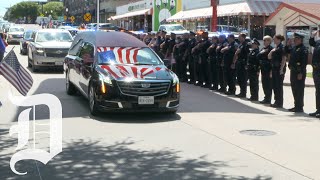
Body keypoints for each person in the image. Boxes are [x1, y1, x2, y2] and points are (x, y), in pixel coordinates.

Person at [288, 33, 308, 113]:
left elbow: (304, 63)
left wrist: (301, 73)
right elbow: (286, 51)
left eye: (296, 39)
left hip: (299, 73)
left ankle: (299, 107)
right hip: (293, 71)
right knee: (294, 89)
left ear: (300, 40)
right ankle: (296, 105)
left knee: (299, 90)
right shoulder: (294, 48)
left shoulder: (303, 49)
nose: (294, 40)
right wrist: (288, 45)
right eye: (294, 39)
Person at [268, 34, 286, 108]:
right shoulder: (275, 48)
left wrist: (281, 69)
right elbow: (269, 57)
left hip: (279, 69)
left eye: (274, 39)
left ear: (279, 39)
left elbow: (284, 59)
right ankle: (276, 101)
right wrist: (272, 51)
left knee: (278, 86)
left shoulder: (282, 47)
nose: (273, 40)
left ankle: (279, 103)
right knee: (274, 86)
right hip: (274, 68)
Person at [233, 33, 250, 98]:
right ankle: (241, 91)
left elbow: (248, 55)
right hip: (239, 63)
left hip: (243, 64)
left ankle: (243, 93)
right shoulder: (240, 45)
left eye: (239, 37)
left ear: (243, 37)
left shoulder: (246, 45)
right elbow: (237, 54)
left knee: (243, 79)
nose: (238, 38)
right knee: (239, 78)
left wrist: (246, 64)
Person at [258, 36, 273, 104]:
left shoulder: (271, 49)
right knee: (264, 83)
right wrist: (262, 52)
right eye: (263, 40)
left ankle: (268, 98)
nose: (264, 42)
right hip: (263, 69)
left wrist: (271, 71)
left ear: (269, 41)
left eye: (265, 40)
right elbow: (257, 56)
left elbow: (272, 61)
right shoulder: (263, 49)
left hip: (268, 69)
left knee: (268, 84)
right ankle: (266, 97)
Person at [309, 30, 320, 118]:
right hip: (316, 70)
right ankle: (318, 110)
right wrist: (312, 35)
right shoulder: (318, 42)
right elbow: (311, 42)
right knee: (318, 91)